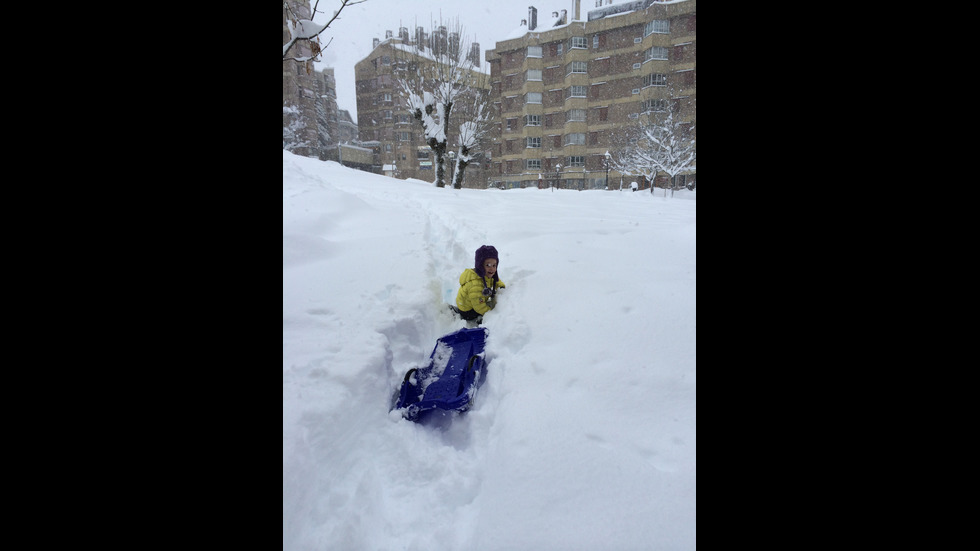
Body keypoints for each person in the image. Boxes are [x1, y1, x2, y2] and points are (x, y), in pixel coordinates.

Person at [454, 245, 506, 326]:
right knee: (484, 308)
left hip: (473, 302)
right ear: (480, 266)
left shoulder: (486, 274)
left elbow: (495, 280)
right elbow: (479, 307)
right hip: (467, 311)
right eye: (488, 265)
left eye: (494, 265)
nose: (492, 269)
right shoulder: (476, 286)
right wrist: (490, 314)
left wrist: (501, 286)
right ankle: (478, 319)